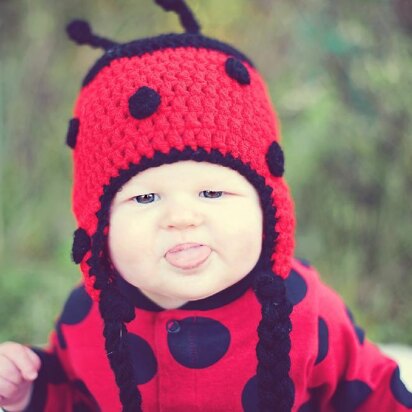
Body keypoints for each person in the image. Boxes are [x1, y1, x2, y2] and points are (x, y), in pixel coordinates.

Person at [0, 1, 411, 411]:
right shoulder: (89, 318)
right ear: (97, 223)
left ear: (268, 208)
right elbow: (73, 397)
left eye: (212, 193)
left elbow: (374, 392)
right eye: (144, 197)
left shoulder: (303, 309)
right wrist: (29, 393)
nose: (182, 218)